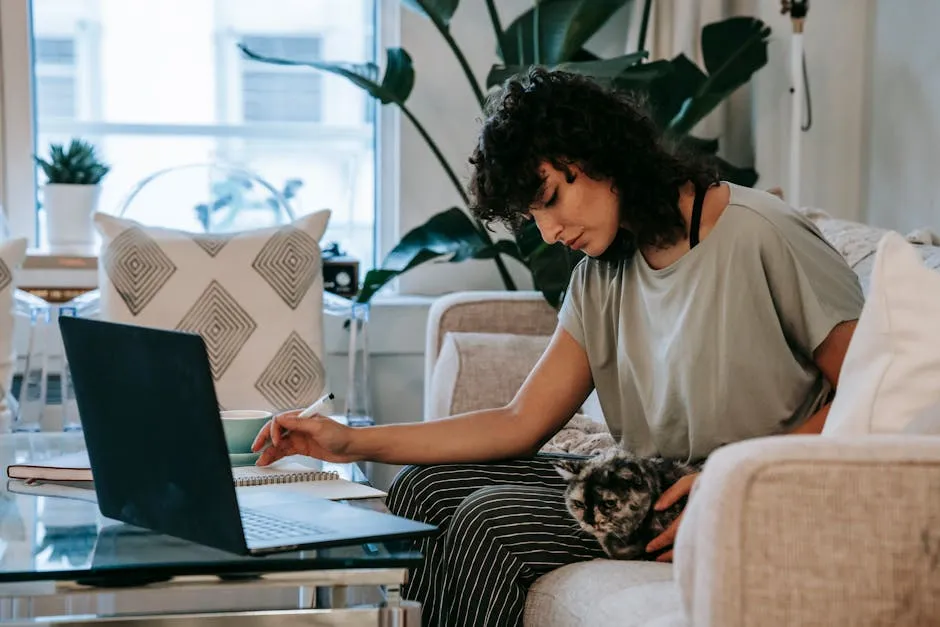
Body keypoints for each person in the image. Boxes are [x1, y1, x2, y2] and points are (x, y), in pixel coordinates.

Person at [250, 67, 864, 627]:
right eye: (532, 216)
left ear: (600, 157)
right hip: (642, 483)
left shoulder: (762, 233)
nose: (549, 232)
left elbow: (870, 394)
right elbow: (521, 421)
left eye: (549, 201)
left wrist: (735, 478)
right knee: (421, 488)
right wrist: (347, 441)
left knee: (490, 526)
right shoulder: (601, 272)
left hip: (736, 491)